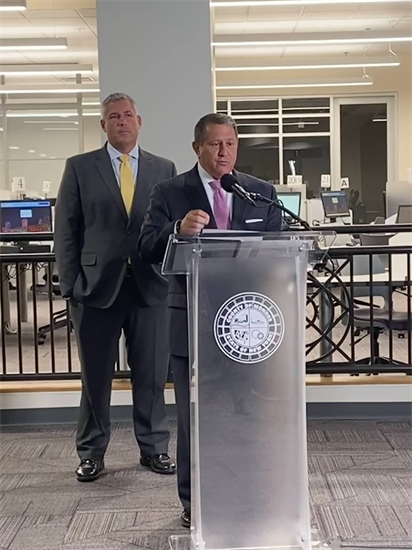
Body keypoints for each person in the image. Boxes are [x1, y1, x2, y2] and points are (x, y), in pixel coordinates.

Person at [138, 113, 282, 527]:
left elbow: (277, 254)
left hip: (249, 325)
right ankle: (193, 504)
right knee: (194, 417)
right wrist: (176, 230)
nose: (224, 153)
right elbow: (147, 246)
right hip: (192, 322)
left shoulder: (260, 192)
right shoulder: (169, 191)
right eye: (215, 144)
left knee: (248, 414)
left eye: (231, 144)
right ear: (197, 147)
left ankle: (249, 492)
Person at [54, 92, 177, 482]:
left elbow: (166, 230)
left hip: (148, 288)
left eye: (128, 115)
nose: (122, 121)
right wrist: (71, 284)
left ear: (139, 122)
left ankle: (154, 448)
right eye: (113, 116)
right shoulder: (79, 167)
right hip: (94, 289)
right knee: (95, 379)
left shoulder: (163, 167)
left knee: (153, 374)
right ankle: (91, 453)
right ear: (103, 125)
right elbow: (67, 231)